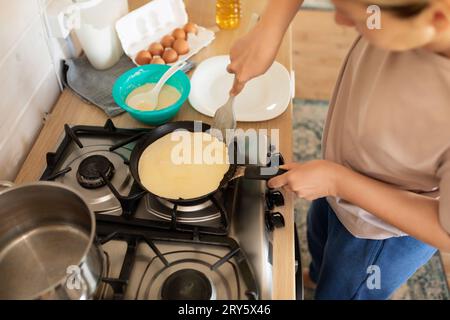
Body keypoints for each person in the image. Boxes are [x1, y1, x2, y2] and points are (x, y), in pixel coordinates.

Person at [227, 0, 450, 299]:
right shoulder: (411, 18)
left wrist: (338, 181)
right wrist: (270, 27)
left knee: (343, 290)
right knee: (321, 239)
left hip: (379, 232)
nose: (340, 21)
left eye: (359, 15)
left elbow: (444, 232)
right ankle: (319, 275)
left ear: (436, 19)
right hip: (338, 175)